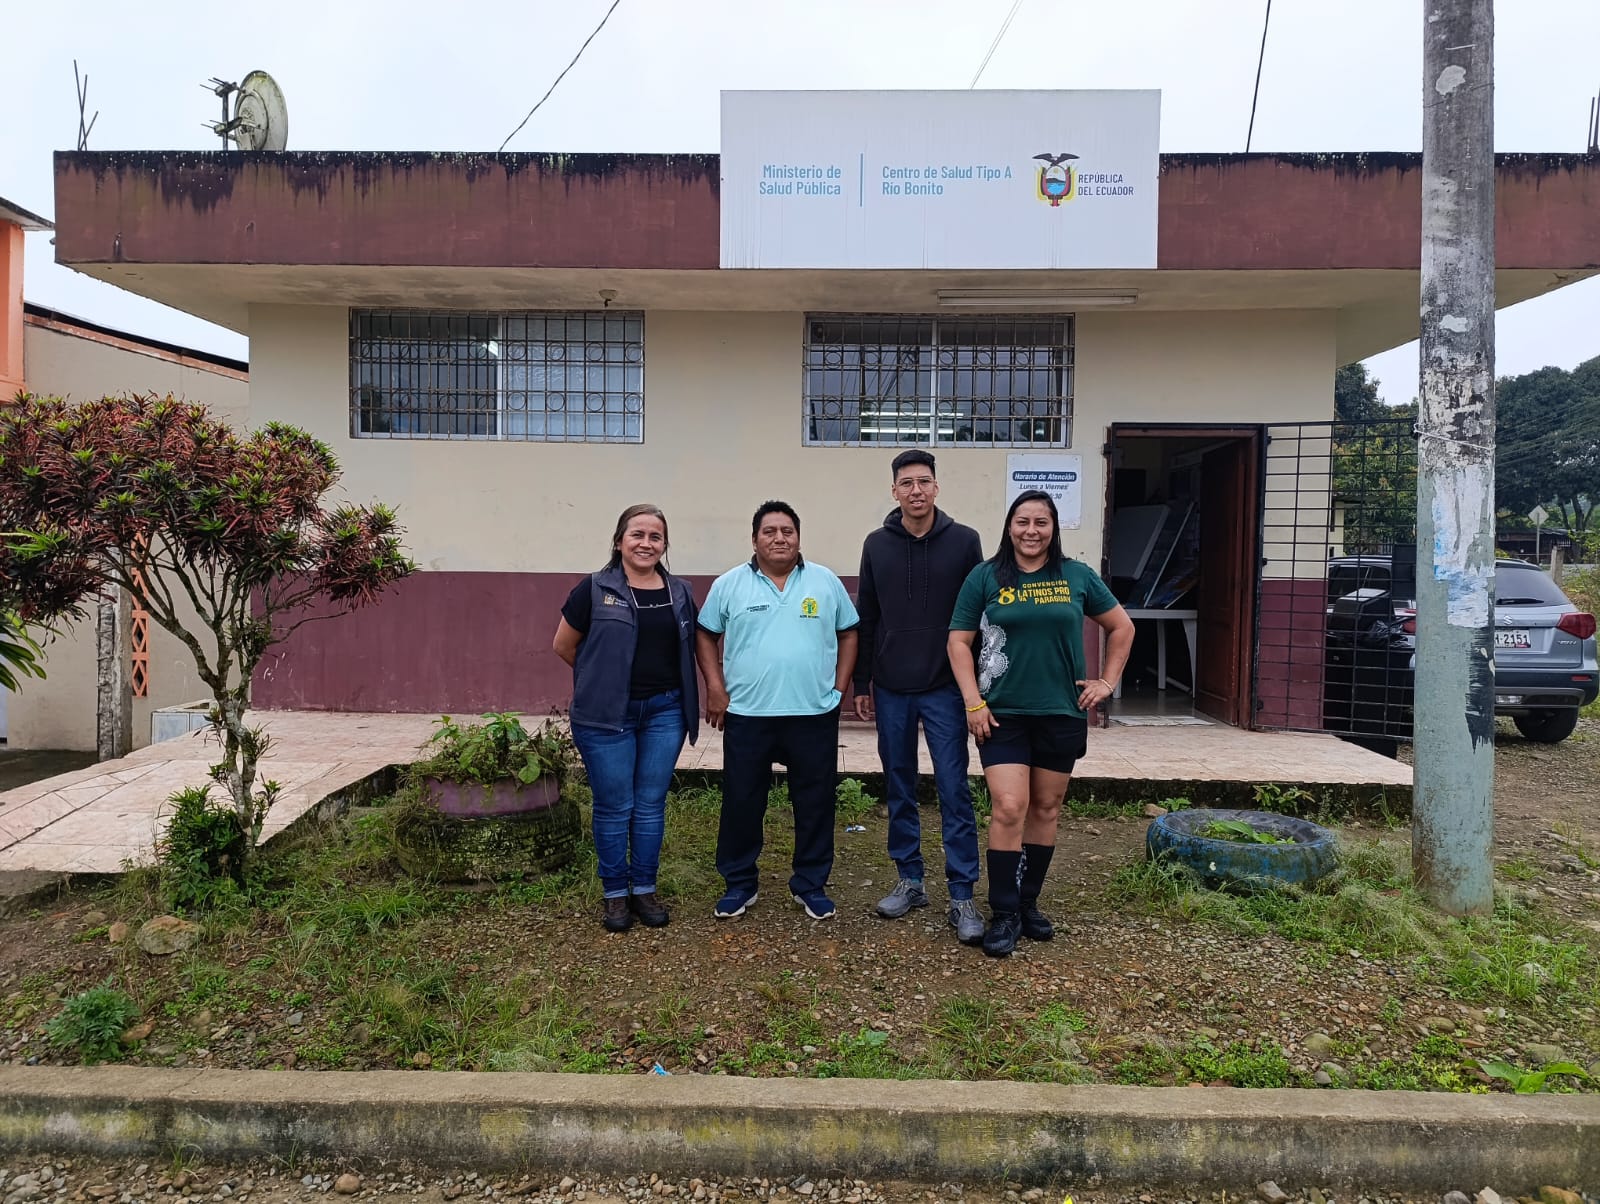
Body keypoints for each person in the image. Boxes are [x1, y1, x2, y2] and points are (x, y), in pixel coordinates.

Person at [948, 489, 1134, 958]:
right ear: (1009, 526)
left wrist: (1107, 682)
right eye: (1023, 522)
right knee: (1010, 806)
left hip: (1060, 711)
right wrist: (973, 703)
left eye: (1041, 523)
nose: (1031, 531)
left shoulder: (1077, 576)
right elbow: (958, 642)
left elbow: (1122, 627)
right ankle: (1004, 911)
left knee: (1046, 808)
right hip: (1001, 714)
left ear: (1053, 529)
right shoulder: (985, 576)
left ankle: (1028, 903)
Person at [696, 501, 860, 921]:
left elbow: (849, 633)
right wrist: (715, 687)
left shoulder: (825, 582)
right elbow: (706, 633)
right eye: (769, 531)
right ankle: (739, 883)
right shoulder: (730, 584)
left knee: (815, 802)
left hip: (812, 714)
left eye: (788, 531)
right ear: (754, 540)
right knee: (742, 801)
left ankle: (810, 884)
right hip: (748, 714)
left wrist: (839, 689)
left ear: (799, 538)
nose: (779, 538)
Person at [853, 449, 986, 944]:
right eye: (906, 483)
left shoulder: (965, 541)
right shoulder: (876, 544)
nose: (916, 490)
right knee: (899, 786)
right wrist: (862, 682)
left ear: (936, 487)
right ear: (894, 491)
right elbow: (867, 615)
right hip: (892, 687)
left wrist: (977, 689)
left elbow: (980, 615)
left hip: (946, 687)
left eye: (924, 481)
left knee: (953, 788)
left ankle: (962, 893)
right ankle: (910, 880)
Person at [553, 504, 701, 934]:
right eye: (637, 534)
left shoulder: (681, 592)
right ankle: (615, 893)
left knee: (651, 804)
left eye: (655, 537)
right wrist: (602, 681)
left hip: (665, 713)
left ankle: (645, 889)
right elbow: (564, 646)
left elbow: (691, 647)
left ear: (664, 545)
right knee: (615, 806)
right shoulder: (594, 589)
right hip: (606, 718)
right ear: (619, 541)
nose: (646, 543)